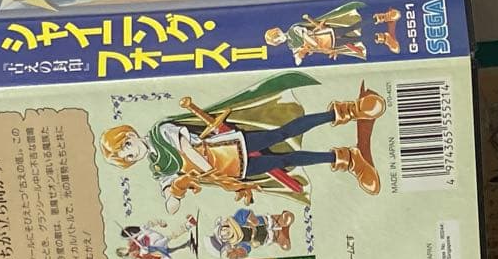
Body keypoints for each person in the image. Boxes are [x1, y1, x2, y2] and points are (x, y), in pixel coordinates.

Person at [100, 72, 384, 213]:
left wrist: (205, 172)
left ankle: (346, 111)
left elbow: (187, 148)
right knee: (285, 161)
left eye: (127, 146)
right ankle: (345, 158)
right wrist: (174, 193)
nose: (132, 153)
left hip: (228, 148)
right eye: (127, 157)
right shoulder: (158, 169)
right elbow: (171, 199)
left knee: (281, 133)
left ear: (130, 134)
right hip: (234, 171)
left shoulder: (160, 131)